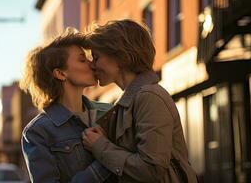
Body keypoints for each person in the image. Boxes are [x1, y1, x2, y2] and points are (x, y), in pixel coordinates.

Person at [81, 19, 198, 183]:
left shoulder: (149, 97)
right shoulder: (130, 100)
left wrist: (100, 146)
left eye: (96, 57)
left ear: (120, 57)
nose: (92, 65)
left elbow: (152, 169)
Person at [20, 28, 114, 183]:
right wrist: (105, 160)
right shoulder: (38, 132)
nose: (92, 64)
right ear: (60, 74)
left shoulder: (109, 112)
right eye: (82, 60)